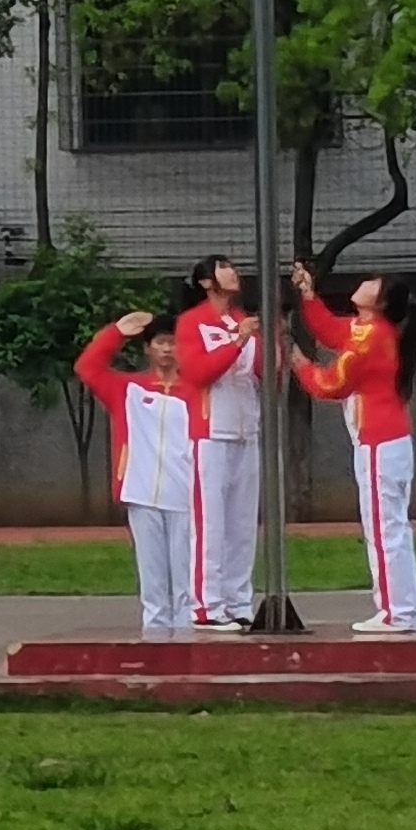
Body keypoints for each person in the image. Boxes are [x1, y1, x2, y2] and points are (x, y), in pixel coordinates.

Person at [290, 263, 416, 636]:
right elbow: (333, 330)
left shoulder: (371, 338)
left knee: (384, 530)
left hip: (380, 442)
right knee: (389, 527)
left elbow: (335, 383)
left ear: (379, 302)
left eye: (373, 283)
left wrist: (301, 366)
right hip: (381, 440)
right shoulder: (366, 330)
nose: (363, 283)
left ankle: (397, 611)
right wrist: (308, 296)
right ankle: (400, 607)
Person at [73, 311, 198, 638]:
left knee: (186, 579)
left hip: (186, 495)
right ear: (148, 348)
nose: (168, 350)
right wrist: (116, 333)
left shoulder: (197, 391)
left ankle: (187, 640)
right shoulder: (128, 389)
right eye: (160, 343)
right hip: (141, 494)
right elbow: (87, 368)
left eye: (174, 343)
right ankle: (156, 641)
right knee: (153, 580)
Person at [173, 256, 261, 631]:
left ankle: (239, 600)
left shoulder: (241, 319)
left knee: (242, 522)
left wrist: (267, 341)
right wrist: (238, 341)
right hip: (210, 430)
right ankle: (206, 605)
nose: (233, 272)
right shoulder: (193, 323)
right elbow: (198, 372)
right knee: (211, 521)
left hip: (247, 429)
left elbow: (262, 373)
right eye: (223, 267)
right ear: (207, 282)